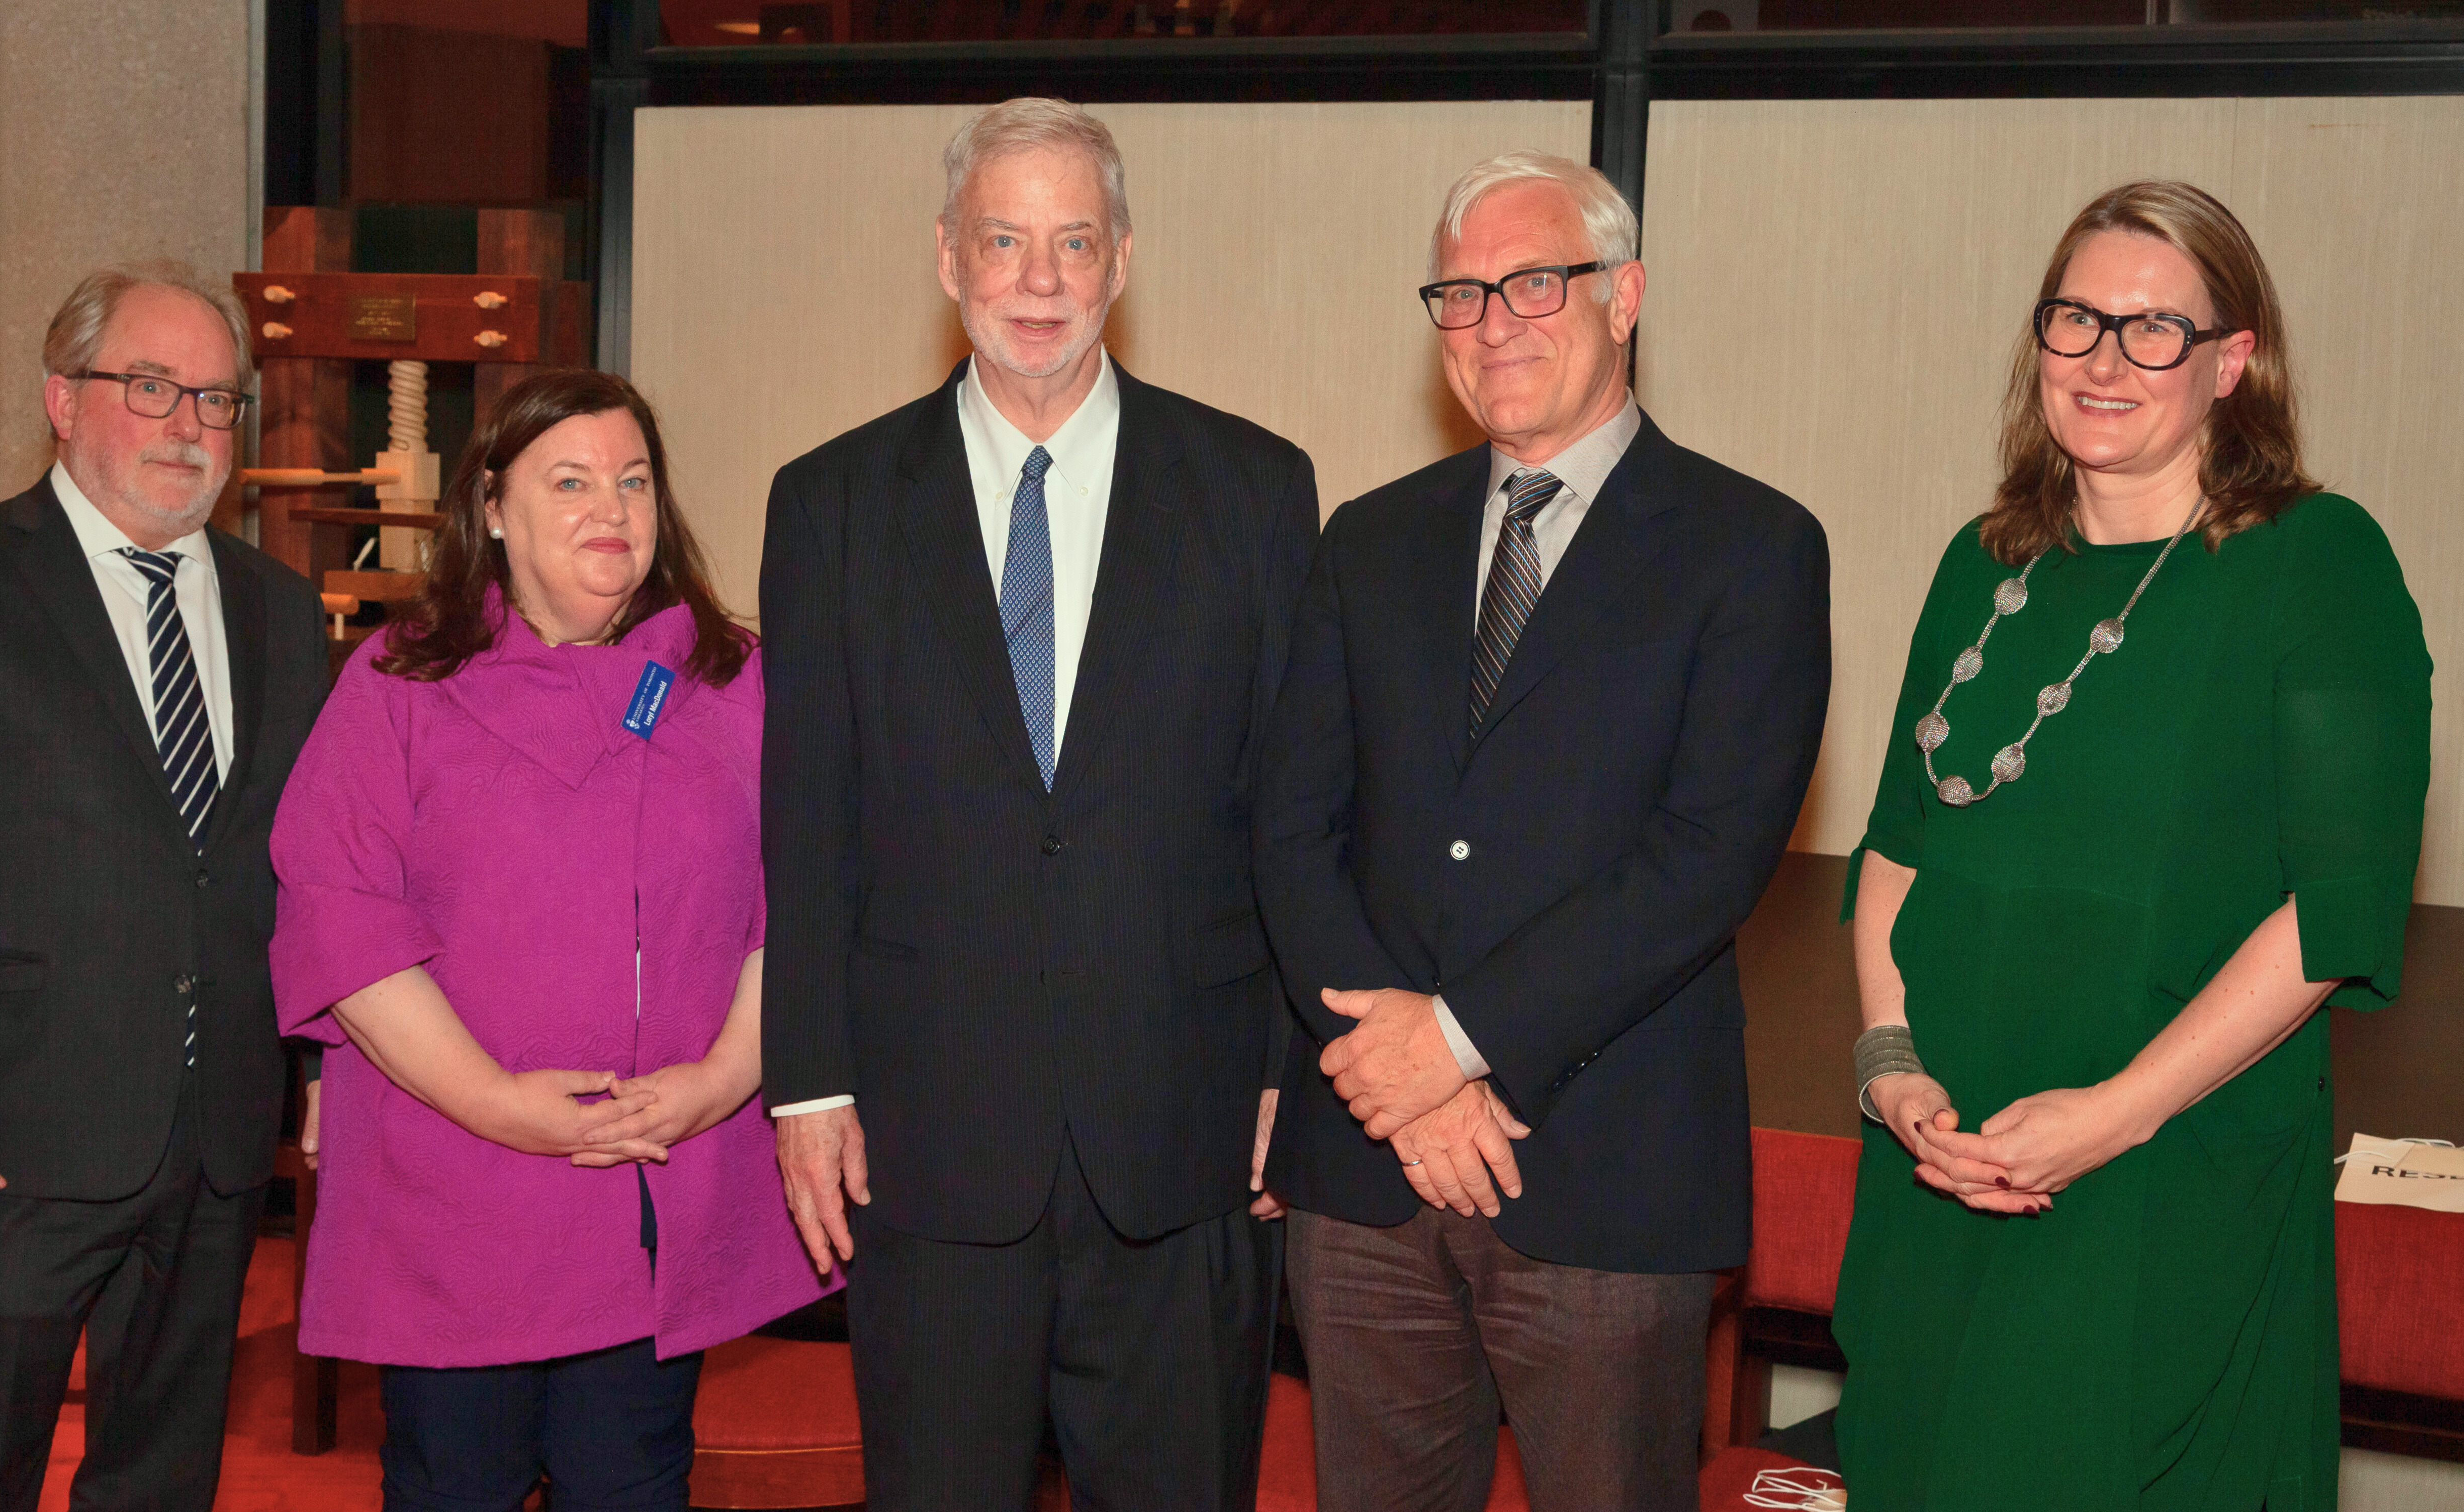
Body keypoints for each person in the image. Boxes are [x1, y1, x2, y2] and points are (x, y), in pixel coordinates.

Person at [1832, 180, 2430, 1508]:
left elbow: (2330, 912)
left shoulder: (2318, 563)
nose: (2103, 360)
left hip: (2163, 1181)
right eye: (2075, 319)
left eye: (2152, 329)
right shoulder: (1981, 560)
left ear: (2233, 360)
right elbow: (1891, 853)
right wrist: (1890, 1066)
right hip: (1941, 1168)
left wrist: (2107, 1118)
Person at [759, 97, 1318, 1511]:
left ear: (1122, 258)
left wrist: (1284, 1064)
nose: (1039, 278)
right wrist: (808, 1080)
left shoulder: (1254, 488)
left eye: (1073, 240)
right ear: (946, 258)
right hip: (928, 1133)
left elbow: (1289, 806)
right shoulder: (829, 501)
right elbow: (806, 818)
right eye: (1003, 239)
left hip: (1185, 1133)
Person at [1252, 151, 1832, 1512]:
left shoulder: (1750, 547)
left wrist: (1449, 1046)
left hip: (1601, 1167)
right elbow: (1289, 827)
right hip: (1364, 1168)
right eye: (1459, 293)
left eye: (1532, 281)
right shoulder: (1366, 538)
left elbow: (1705, 856)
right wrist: (1389, 1068)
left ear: (1621, 295)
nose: (1491, 321)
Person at [0, 262, 327, 1510]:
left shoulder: (281, 611)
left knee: (164, 1466)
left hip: (215, 1133)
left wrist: (321, 1068)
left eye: (216, 400)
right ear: (62, 397)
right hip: (19, 1125)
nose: (189, 427)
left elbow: (305, 872)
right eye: (150, 387)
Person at [270, 369, 822, 1507]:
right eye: (567, 482)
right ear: (490, 506)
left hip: (653, 1189)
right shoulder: (400, 681)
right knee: (452, 1484)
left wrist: (725, 1078)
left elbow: (806, 903)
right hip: (455, 1192)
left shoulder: (734, 682)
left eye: (631, 481)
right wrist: (492, 1101)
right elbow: (338, 913)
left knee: (631, 1484)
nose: (609, 510)